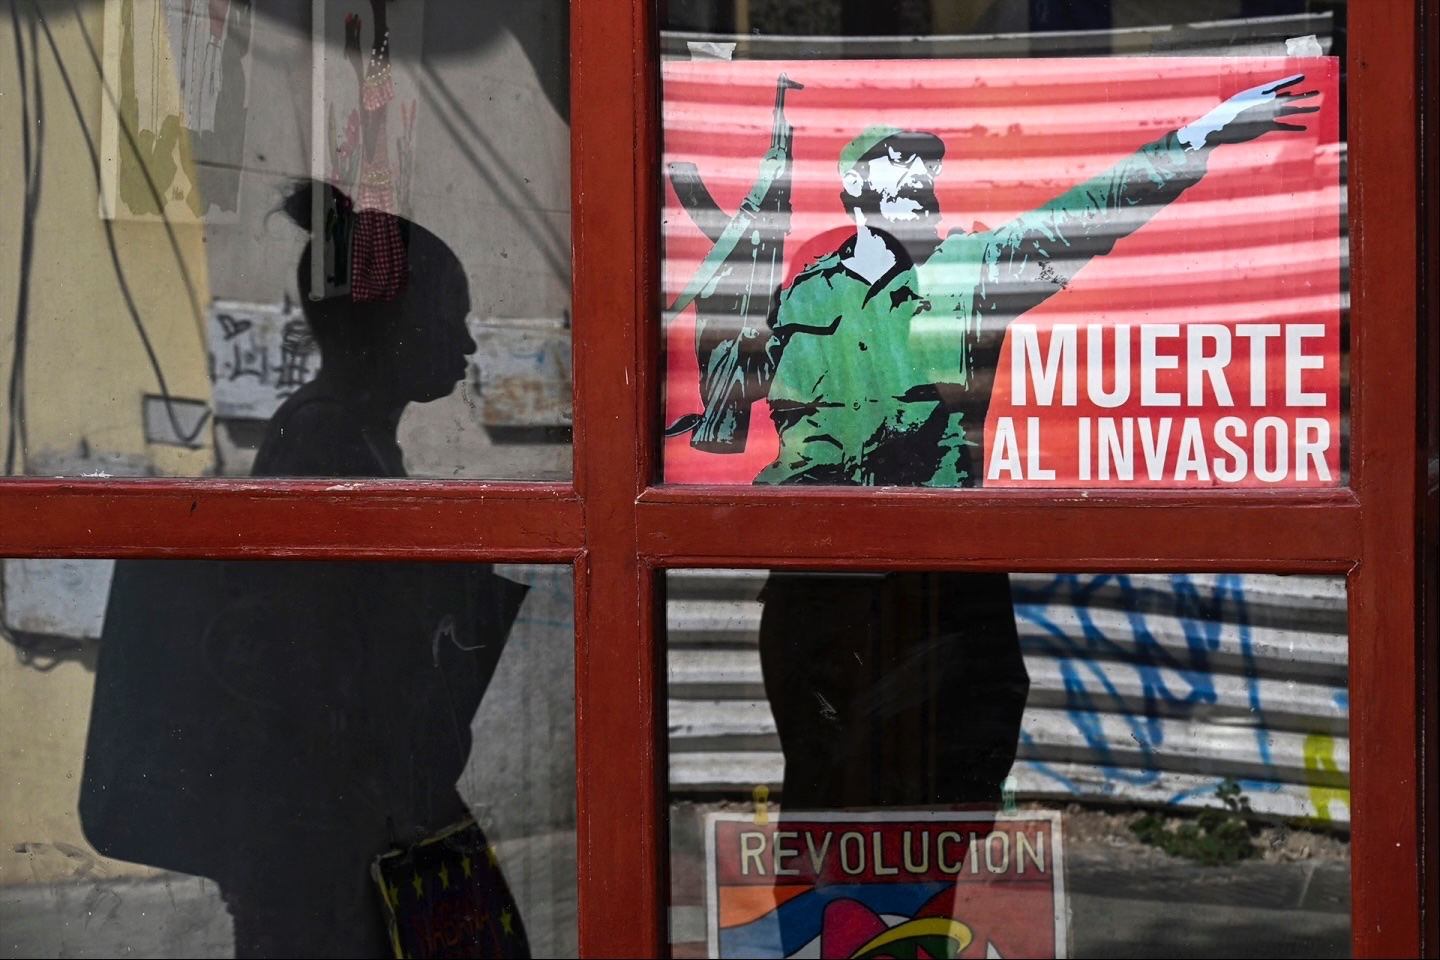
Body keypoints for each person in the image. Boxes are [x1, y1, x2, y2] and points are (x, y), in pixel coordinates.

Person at [750, 75, 1318, 812]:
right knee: (823, 818)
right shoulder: (808, 294)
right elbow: (795, 437)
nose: (921, 177)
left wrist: (1194, 139)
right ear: (856, 186)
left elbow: (1080, 219)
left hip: (942, 596)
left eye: (928, 167)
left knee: (944, 818)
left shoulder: (967, 272)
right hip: (823, 593)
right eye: (899, 163)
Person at [81, 181, 531, 959]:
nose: (464, 345)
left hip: (333, 844)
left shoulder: (351, 443)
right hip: (321, 858)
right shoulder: (325, 449)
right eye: (449, 317)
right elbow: (321, 681)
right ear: (389, 323)